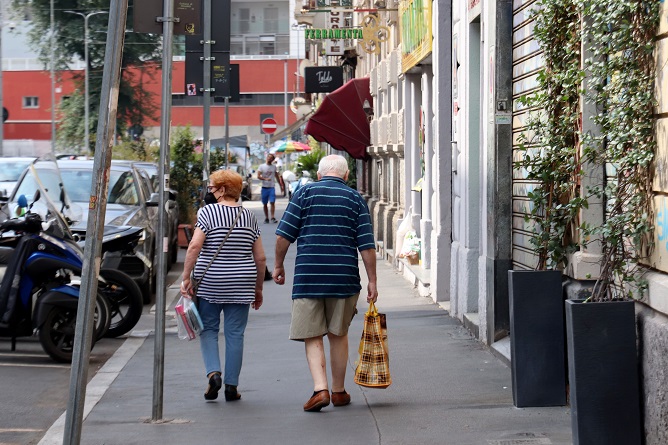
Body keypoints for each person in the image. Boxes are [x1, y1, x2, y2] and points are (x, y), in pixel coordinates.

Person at [273, 154, 378, 412]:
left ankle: (320, 390)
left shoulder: (304, 194)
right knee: (338, 334)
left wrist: (278, 265)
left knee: (312, 334)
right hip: (344, 278)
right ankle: (339, 391)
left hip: (308, 276)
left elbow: (284, 236)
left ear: (319, 175)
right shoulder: (354, 199)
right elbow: (366, 245)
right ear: (346, 176)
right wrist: (372, 281)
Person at [180, 169, 266, 402]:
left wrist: (186, 276)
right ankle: (231, 386)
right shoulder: (249, 217)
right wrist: (258, 289)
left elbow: (195, 246)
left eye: (211, 187)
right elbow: (260, 258)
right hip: (242, 281)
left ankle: (214, 373)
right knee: (235, 333)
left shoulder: (207, 212)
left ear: (222, 189)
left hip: (211, 282)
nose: (210, 191)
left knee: (208, 329)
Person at [257, 153, 282, 223]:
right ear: (267, 158)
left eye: (271, 158)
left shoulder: (274, 167)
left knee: (272, 202)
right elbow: (258, 176)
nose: (269, 159)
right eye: (269, 157)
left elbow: (276, 176)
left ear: (273, 160)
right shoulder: (261, 166)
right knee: (265, 203)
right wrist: (265, 179)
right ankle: (266, 217)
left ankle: (272, 217)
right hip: (264, 187)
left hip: (271, 187)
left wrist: (280, 185)